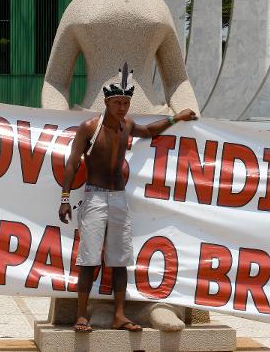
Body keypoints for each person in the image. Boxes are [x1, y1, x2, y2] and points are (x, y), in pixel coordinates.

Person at [57, 63, 197, 332]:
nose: (122, 107)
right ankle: (81, 315)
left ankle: (119, 315)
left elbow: (148, 131)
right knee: (89, 258)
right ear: (107, 103)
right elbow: (72, 163)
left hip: (119, 197)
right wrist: (65, 198)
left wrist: (175, 118)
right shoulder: (89, 127)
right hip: (95, 196)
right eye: (117, 102)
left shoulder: (127, 125)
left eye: (126, 102)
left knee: (120, 259)